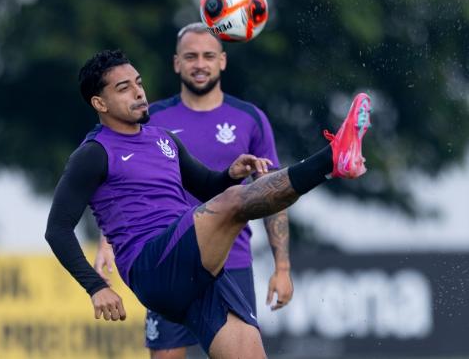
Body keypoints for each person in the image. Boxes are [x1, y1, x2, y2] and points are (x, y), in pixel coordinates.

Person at [45, 48, 371, 358]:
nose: (139, 93)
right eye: (124, 88)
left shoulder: (164, 139)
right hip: (152, 266)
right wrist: (95, 287)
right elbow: (57, 230)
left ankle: (334, 163)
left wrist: (230, 173)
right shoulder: (93, 153)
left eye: (139, 83)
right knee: (232, 203)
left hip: (192, 271)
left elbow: (205, 188)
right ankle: (332, 159)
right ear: (100, 102)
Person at [93, 22, 293, 358]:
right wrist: (107, 242)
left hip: (234, 262)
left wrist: (283, 268)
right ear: (176, 63)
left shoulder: (249, 119)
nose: (199, 64)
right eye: (190, 56)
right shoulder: (149, 118)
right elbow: (117, 178)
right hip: (166, 258)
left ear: (223, 61)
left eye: (207, 56)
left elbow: (270, 194)